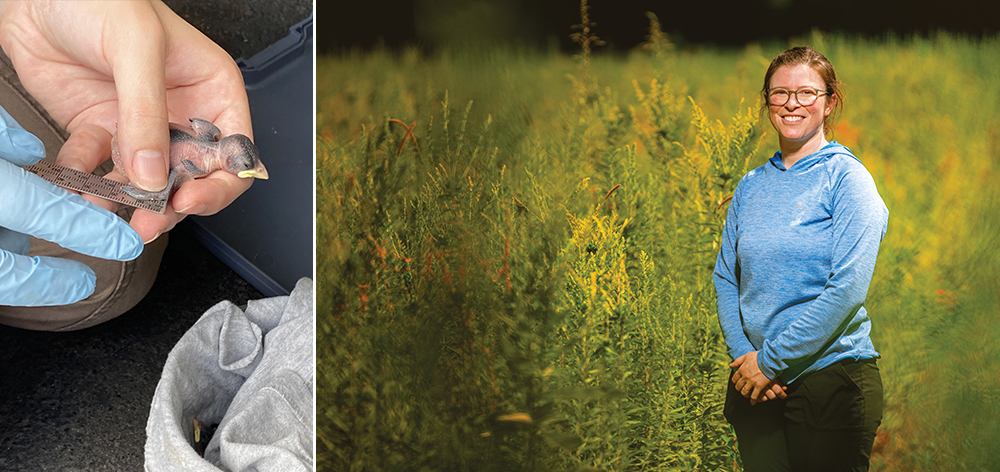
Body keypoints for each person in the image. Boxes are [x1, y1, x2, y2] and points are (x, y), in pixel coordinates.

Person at [0, 1, 255, 330]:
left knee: (112, 270)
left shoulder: (211, 137)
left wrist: (22, 9)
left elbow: (195, 134)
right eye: (246, 164)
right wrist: (158, 189)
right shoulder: (203, 153)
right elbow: (182, 167)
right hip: (138, 151)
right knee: (105, 262)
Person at [712, 46, 888, 471]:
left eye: (807, 93)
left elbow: (846, 289)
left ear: (829, 103)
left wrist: (770, 362)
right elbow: (725, 278)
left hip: (830, 382)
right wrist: (746, 362)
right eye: (780, 93)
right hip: (755, 386)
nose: (792, 103)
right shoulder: (752, 185)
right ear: (767, 101)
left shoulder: (847, 180)